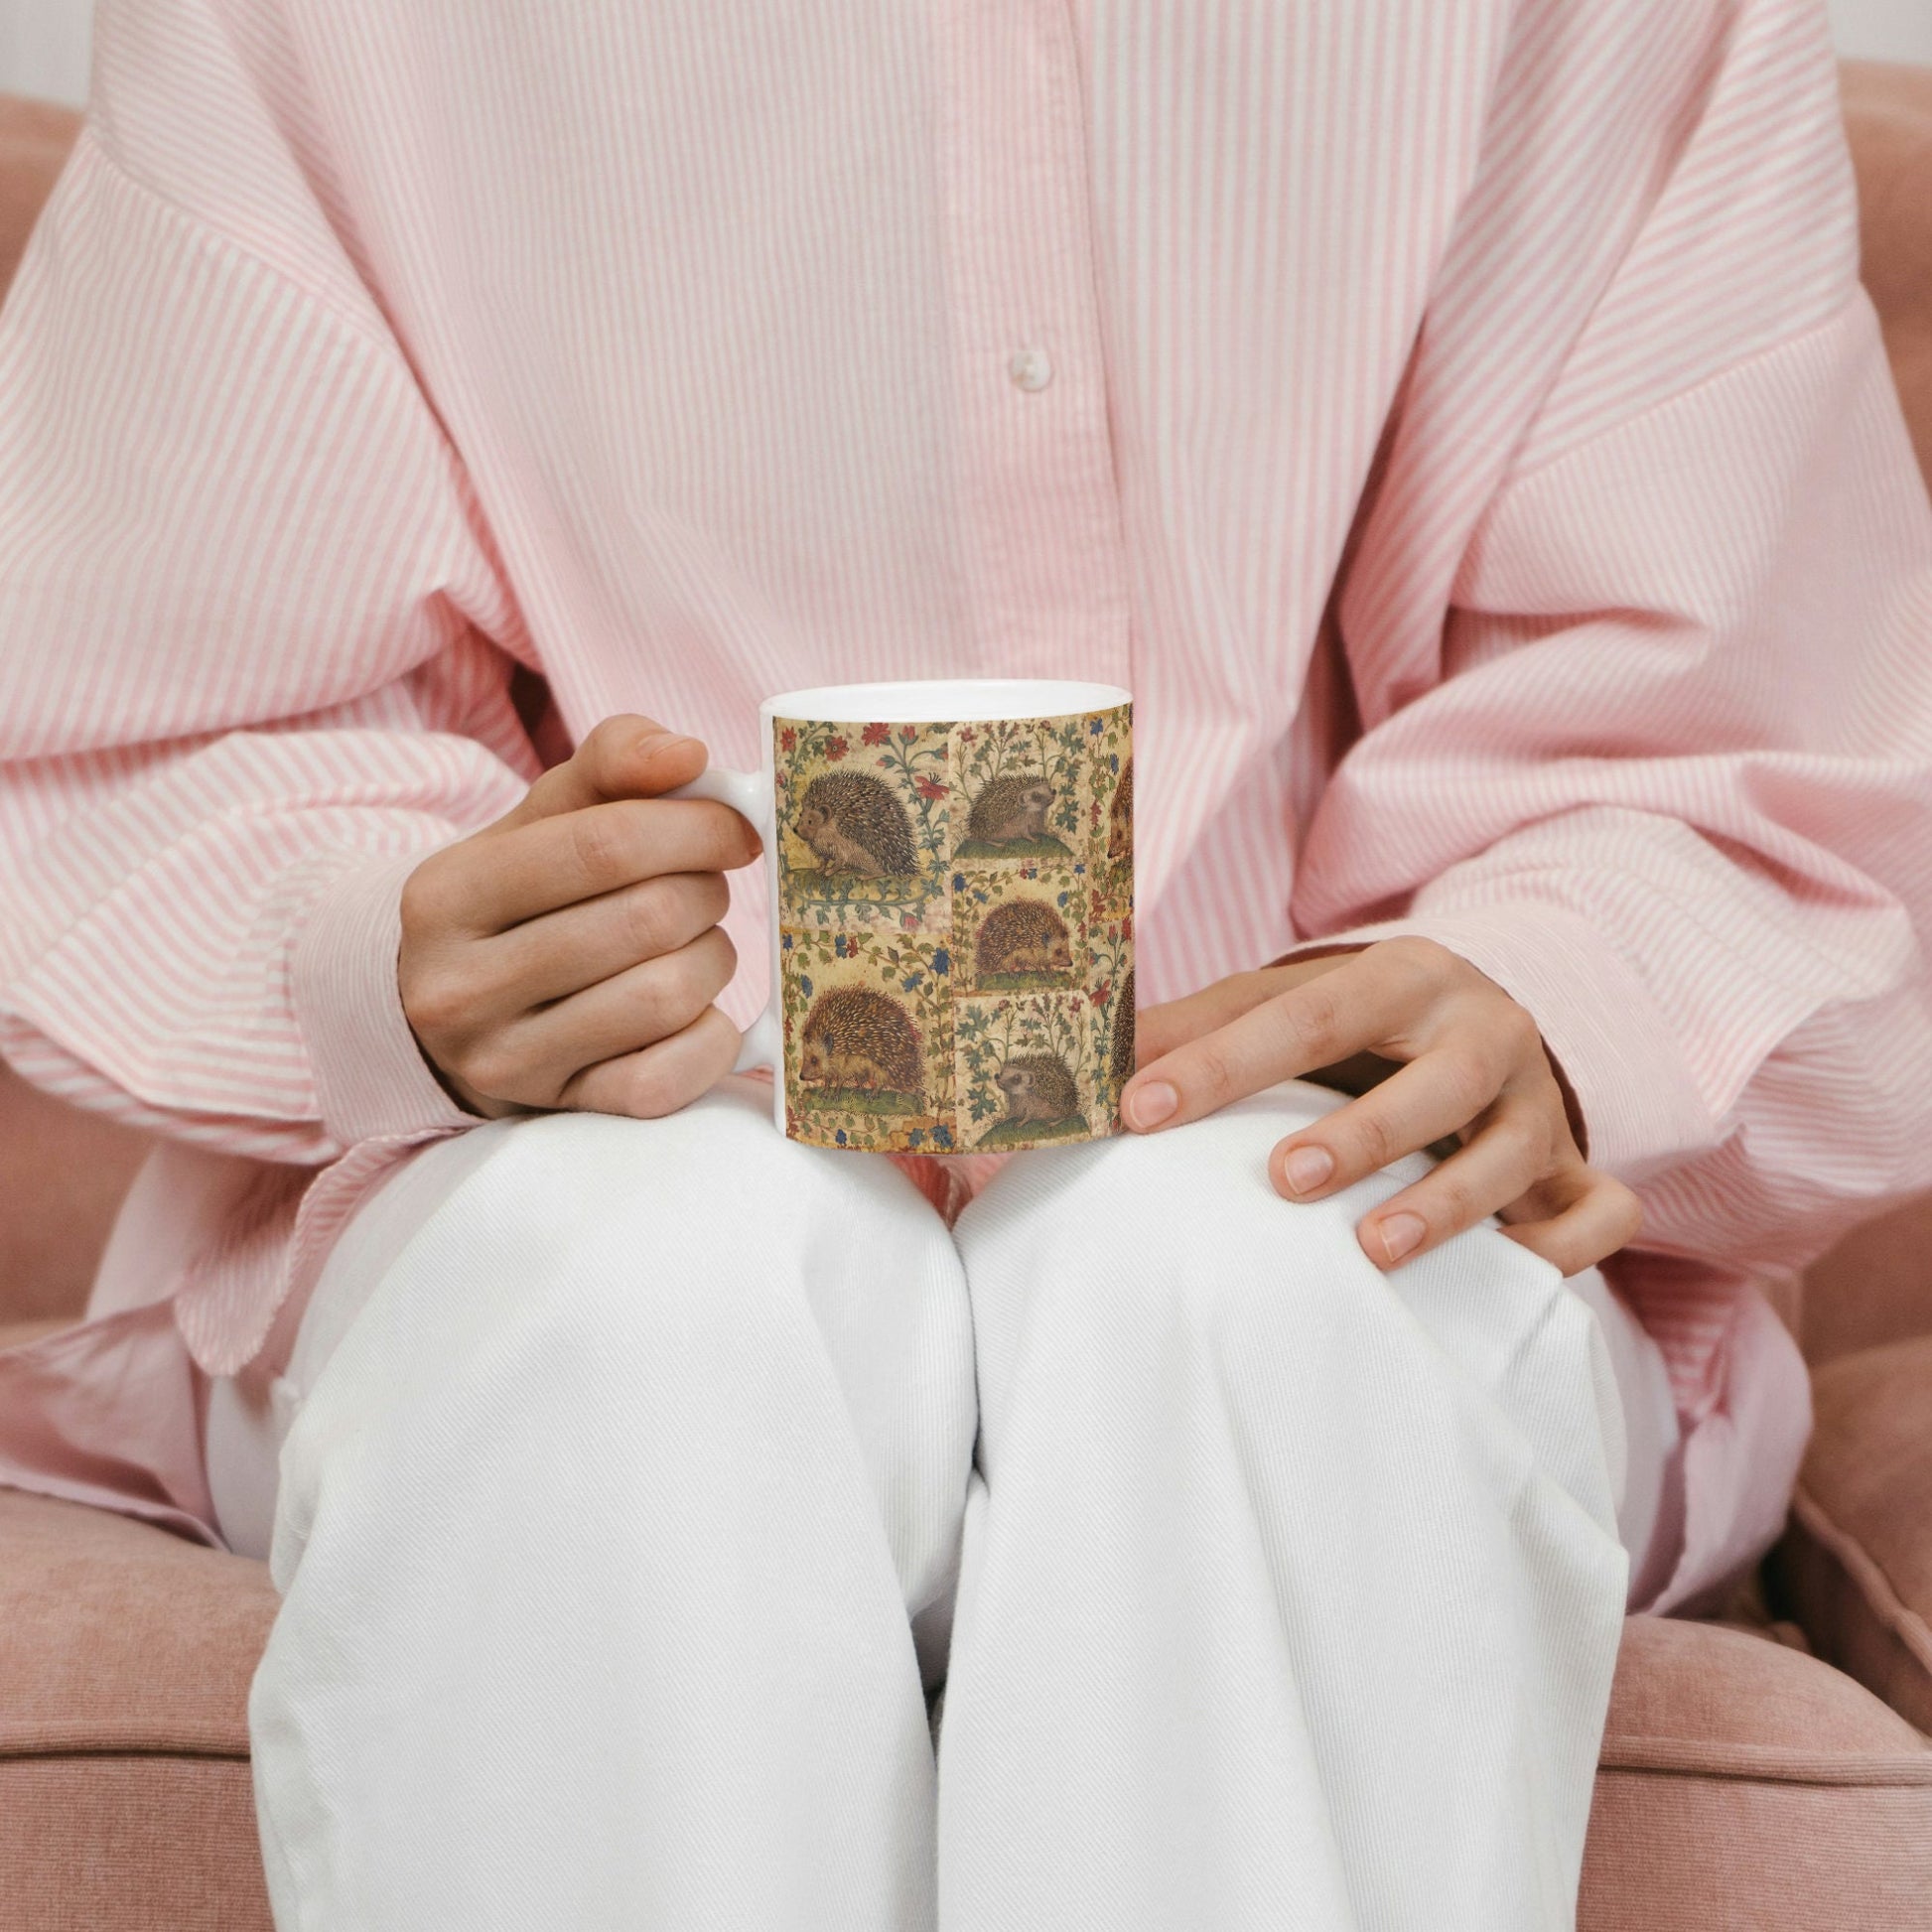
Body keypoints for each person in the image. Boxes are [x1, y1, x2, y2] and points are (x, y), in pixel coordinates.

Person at [1, 0, 1929, 1926]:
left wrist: (1540, 993)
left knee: (1252, 1279)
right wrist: (405, 949)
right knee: (618, 1280)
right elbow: (132, 706)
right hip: (548, 1175)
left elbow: (1756, 735)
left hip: (1332, 1217)